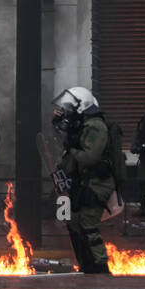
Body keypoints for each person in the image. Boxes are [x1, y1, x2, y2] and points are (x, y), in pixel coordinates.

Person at [52, 87, 115, 275]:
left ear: (82, 106)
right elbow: (67, 142)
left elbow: (90, 157)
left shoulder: (95, 126)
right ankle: (87, 264)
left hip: (98, 182)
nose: (68, 112)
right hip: (85, 181)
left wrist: (71, 148)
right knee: (74, 221)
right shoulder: (83, 124)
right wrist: (59, 126)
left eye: (71, 108)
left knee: (88, 223)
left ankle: (101, 268)